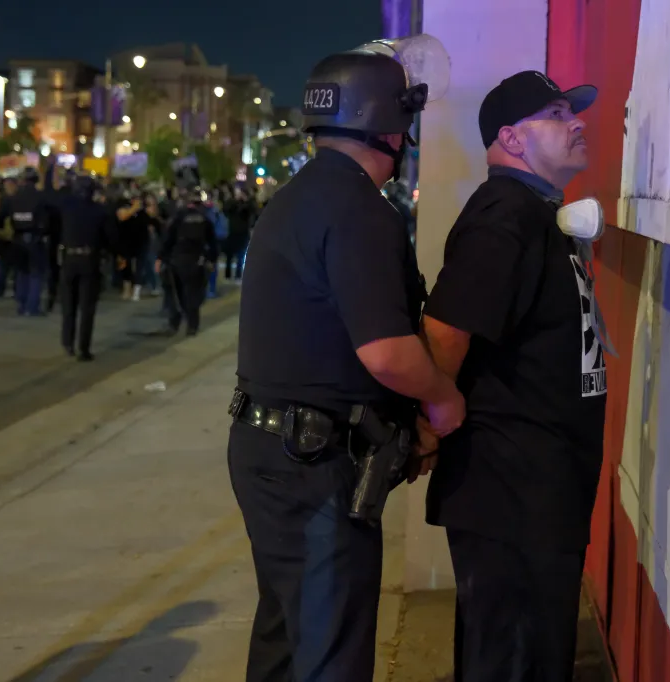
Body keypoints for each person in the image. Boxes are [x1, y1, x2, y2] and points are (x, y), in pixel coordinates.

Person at [227, 38, 462, 682]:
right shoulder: (360, 211)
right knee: (329, 650)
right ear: (392, 126)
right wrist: (442, 397)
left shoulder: (296, 198)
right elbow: (386, 353)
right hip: (313, 463)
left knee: (290, 634)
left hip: (274, 452)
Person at [420, 70, 614, 682]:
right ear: (511, 138)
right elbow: (445, 331)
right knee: (509, 660)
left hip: (541, 490)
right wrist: (431, 422)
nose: (576, 122)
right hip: (509, 491)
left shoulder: (538, 211)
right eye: (556, 115)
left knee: (535, 656)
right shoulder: (505, 211)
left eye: (572, 112)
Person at [56, 175, 118, 361]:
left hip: (68, 258)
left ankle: (68, 342)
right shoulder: (99, 211)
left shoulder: (66, 207)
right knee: (87, 307)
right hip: (89, 260)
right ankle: (83, 348)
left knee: (69, 305)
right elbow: (110, 238)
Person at [156, 188, 218, 336]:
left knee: (175, 295)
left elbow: (168, 240)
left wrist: (160, 258)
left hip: (178, 260)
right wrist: (211, 260)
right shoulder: (205, 219)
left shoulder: (178, 218)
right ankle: (192, 326)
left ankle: (174, 323)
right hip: (196, 261)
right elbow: (213, 243)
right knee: (193, 295)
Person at [0, 168, 49, 316]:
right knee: (35, 273)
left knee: (22, 272)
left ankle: (21, 304)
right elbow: (47, 220)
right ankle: (32, 308)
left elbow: (0, 218)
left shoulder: (13, 198)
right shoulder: (40, 197)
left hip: (17, 238)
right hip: (34, 238)